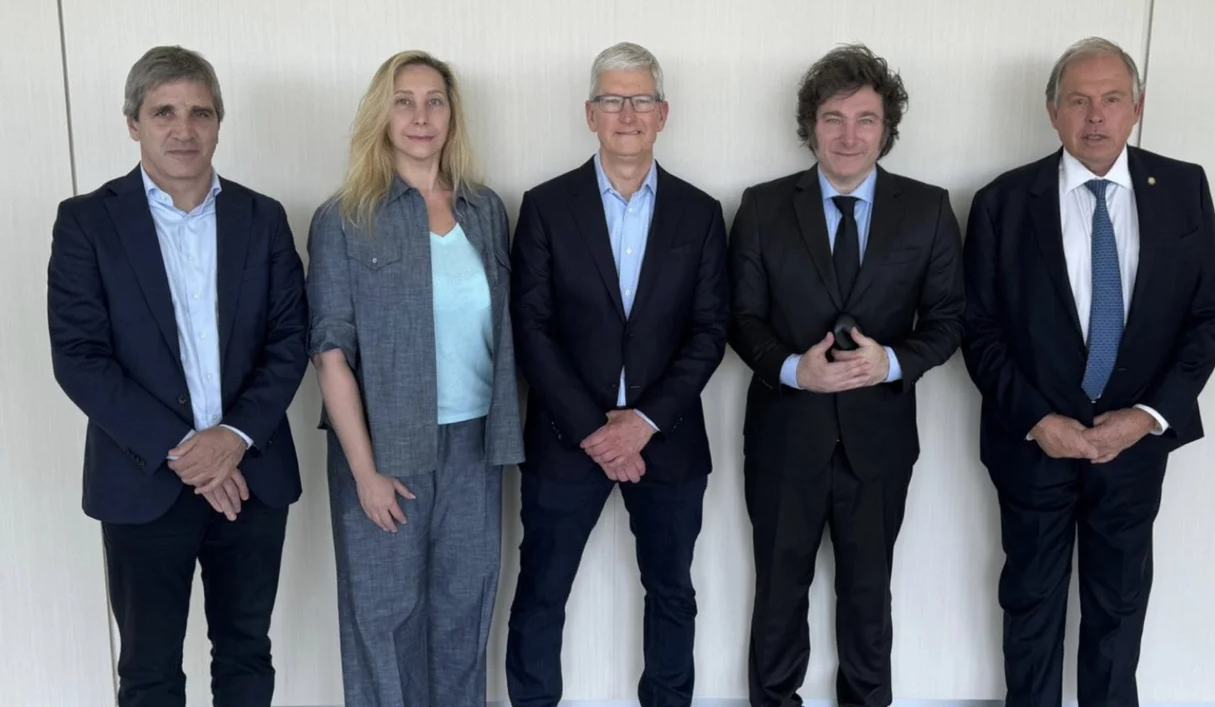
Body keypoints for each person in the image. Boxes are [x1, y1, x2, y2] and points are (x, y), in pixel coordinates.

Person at [961, 37, 1215, 707]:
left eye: (1112, 99)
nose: (1096, 116)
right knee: (1030, 606)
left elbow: (1206, 316)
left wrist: (1147, 417)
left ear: (1137, 106)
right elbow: (978, 329)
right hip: (1034, 445)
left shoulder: (1184, 189)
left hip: (1134, 446)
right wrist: (1038, 419)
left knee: (1119, 607)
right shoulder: (1002, 201)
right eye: (1078, 101)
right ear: (1052, 111)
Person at [46, 45, 309, 707]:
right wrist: (190, 451)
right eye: (164, 112)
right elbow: (80, 356)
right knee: (149, 671)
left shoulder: (263, 218)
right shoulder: (87, 222)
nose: (183, 129)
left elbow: (289, 341)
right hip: (142, 483)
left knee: (247, 654)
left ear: (219, 122)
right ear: (133, 123)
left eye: (200, 112)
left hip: (253, 478)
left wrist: (233, 438)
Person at [727, 43, 964, 707]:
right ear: (811, 125)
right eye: (833, 118)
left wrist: (890, 362)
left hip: (879, 442)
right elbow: (739, 317)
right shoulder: (763, 206)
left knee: (868, 598)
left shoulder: (928, 209)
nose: (849, 135)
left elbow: (949, 319)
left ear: (887, 128)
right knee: (779, 595)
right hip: (784, 440)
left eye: (866, 119)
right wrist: (792, 369)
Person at [505, 41, 729, 707]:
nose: (626, 114)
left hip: (669, 438)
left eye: (640, 100)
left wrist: (643, 422)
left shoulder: (700, 212)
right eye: (611, 100)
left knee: (672, 593)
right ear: (589, 114)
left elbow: (710, 331)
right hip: (564, 438)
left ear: (663, 113)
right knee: (541, 592)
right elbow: (531, 328)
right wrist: (594, 430)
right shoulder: (546, 206)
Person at [305, 50, 523, 707]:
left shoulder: (484, 211)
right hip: (384, 450)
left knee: (463, 616)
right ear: (382, 114)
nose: (420, 116)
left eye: (434, 101)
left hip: (475, 447)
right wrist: (365, 472)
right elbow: (330, 354)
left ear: (452, 115)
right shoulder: (345, 218)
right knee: (384, 621)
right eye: (404, 101)